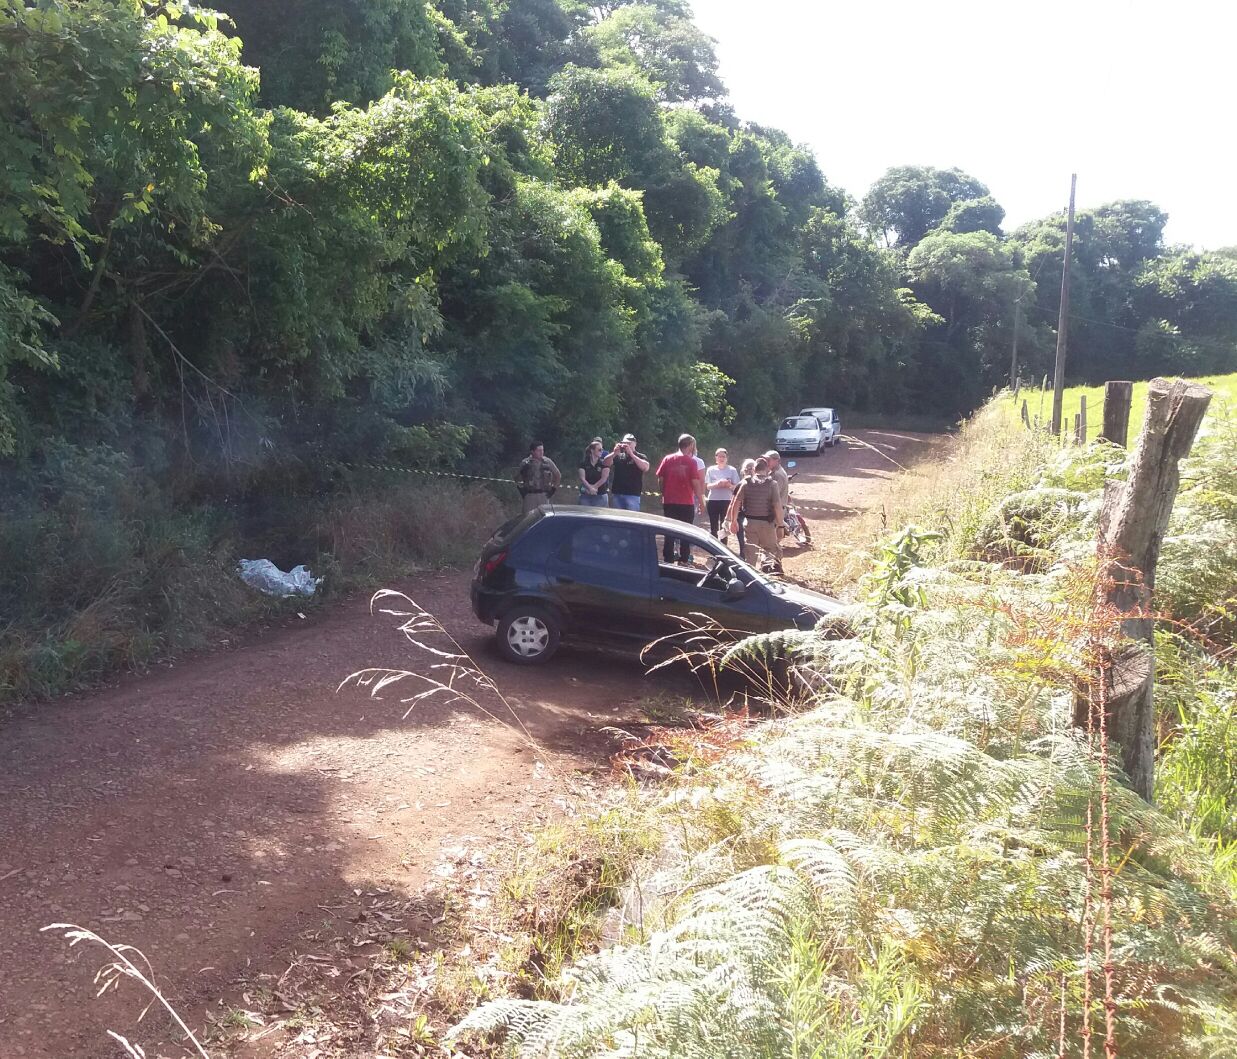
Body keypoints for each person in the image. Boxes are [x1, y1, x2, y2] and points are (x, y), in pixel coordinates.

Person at [655, 433, 705, 563]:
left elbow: (660, 478)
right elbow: (695, 483)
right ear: (691, 445)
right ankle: (684, 559)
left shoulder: (667, 459)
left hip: (670, 501)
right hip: (686, 501)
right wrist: (701, 501)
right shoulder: (692, 462)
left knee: (669, 531)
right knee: (686, 532)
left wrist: (664, 493)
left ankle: (668, 559)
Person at [730, 456, 784, 573]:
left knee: (750, 554)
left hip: (750, 523)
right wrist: (780, 525)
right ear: (767, 469)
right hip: (767, 524)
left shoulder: (746, 483)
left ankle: (750, 576)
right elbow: (777, 506)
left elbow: (736, 502)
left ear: (754, 469)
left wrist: (733, 520)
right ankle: (766, 571)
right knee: (770, 549)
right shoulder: (772, 484)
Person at [604, 433, 649, 511]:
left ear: (635, 444)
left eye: (629, 443)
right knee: (617, 517)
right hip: (617, 493)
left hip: (632, 494)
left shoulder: (640, 456)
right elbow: (605, 463)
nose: (626, 445)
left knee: (632, 517)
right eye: (624, 443)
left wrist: (631, 454)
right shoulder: (618, 455)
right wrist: (614, 453)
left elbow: (645, 467)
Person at [514, 441, 561, 514]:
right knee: (528, 517)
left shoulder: (547, 461)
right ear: (532, 451)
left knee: (544, 516)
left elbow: (558, 475)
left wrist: (553, 489)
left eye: (542, 450)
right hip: (530, 496)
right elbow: (516, 478)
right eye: (539, 450)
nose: (541, 452)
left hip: (543, 495)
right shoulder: (525, 462)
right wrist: (521, 490)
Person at [704, 447, 740, 540]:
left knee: (724, 526)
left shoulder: (732, 470)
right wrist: (717, 484)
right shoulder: (711, 469)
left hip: (727, 500)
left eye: (723, 456)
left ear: (727, 458)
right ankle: (713, 545)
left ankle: (723, 545)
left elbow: (737, 488)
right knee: (713, 526)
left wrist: (728, 485)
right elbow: (708, 486)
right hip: (713, 500)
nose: (721, 458)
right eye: (719, 456)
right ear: (716, 458)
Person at [763, 449, 791, 539]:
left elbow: (774, 494)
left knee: (772, 539)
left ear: (777, 461)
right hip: (775, 508)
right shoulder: (773, 472)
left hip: (776, 510)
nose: (766, 462)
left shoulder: (778, 475)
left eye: (768, 460)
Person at [577, 438, 610, 507]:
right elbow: (582, 478)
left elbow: (604, 478)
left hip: (600, 495)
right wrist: (590, 488)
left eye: (602, 449)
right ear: (592, 450)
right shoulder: (584, 463)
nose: (601, 451)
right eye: (599, 450)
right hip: (585, 495)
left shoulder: (604, 463)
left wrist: (593, 488)